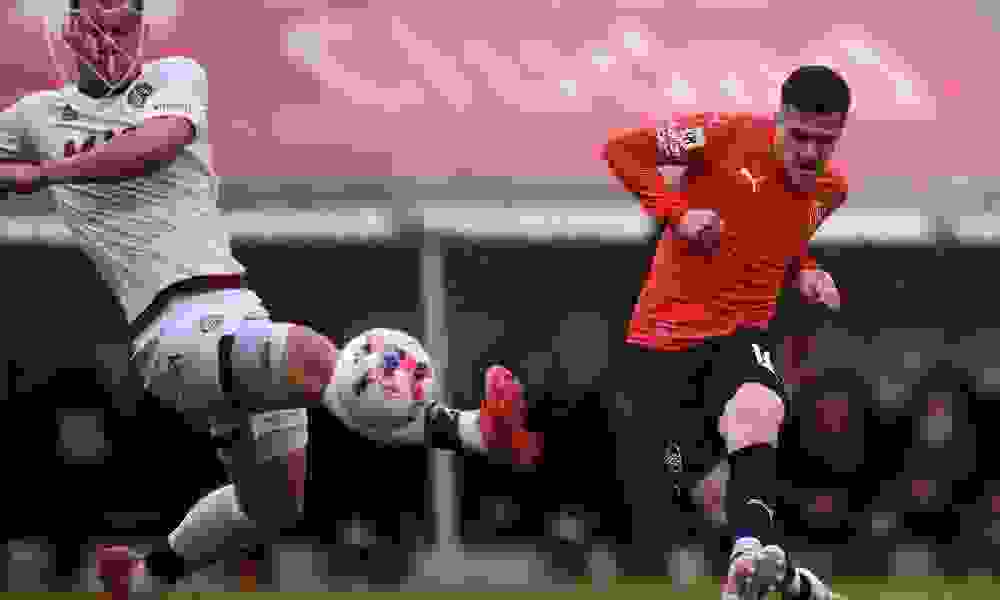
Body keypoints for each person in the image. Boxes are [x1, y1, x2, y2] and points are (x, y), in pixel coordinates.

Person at [0, 1, 537, 592]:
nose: (116, 41)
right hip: (168, 331)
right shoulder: (35, 117)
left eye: (128, 26)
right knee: (311, 356)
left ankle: (144, 577)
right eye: (103, 25)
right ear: (71, 27)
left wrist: (43, 173)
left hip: (237, 306)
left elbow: (158, 144)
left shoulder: (175, 76)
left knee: (274, 506)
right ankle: (473, 431)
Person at [603, 65, 850, 600]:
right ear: (780, 118)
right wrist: (678, 213)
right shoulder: (717, 135)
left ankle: (746, 557)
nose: (810, 152)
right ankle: (790, 582)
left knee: (758, 409)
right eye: (800, 136)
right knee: (682, 477)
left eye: (824, 141)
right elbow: (622, 150)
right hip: (661, 344)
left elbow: (784, 239)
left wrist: (806, 272)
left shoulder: (831, 189)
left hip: (741, 336)